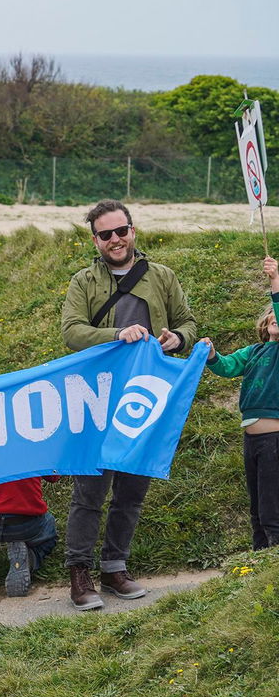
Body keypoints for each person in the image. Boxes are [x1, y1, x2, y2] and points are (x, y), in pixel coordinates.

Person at [60, 200, 196, 610]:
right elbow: (72, 332)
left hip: (147, 399)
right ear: (95, 239)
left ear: (133, 231)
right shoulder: (82, 282)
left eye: (122, 231)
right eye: (106, 235)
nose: (116, 240)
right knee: (90, 490)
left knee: (132, 489)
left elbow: (188, 322)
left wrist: (179, 339)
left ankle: (114, 567)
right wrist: (117, 334)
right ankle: (79, 574)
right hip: (98, 399)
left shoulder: (163, 277)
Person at [199, 256, 279, 551]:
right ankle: (261, 556)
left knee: (272, 506)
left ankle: (274, 556)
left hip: (275, 441)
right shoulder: (254, 351)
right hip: (252, 441)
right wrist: (211, 356)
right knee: (257, 505)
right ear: (264, 323)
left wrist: (275, 280)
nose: (275, 317)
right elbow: (227, 366)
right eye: (271, 315)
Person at [0, 476, 60, 597]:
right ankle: (29, 558)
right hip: (25, 524)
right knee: (49, 525)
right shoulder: (36, 455)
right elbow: (53, 477)